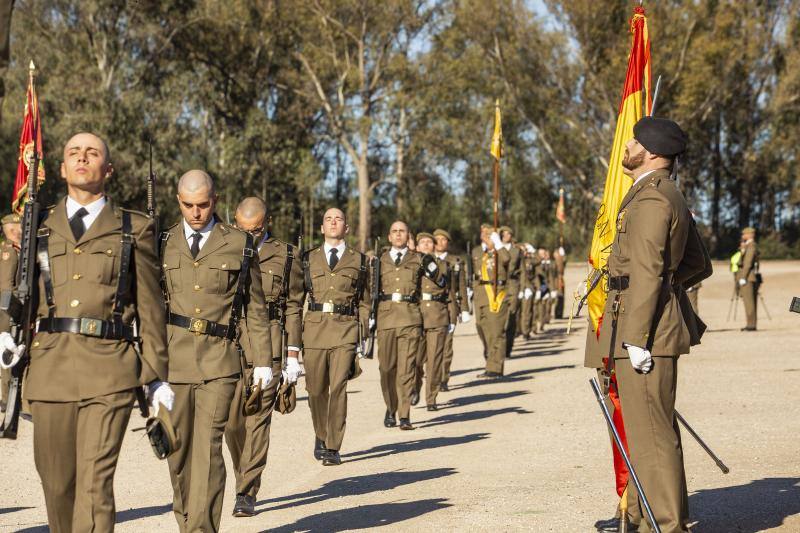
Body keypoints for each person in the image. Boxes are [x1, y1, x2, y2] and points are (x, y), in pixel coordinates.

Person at [0, 133, 169, 532]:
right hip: (48, 369)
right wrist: (5, 334)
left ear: (107, 169)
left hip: (109, 369)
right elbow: (18, 291)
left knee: (95, 486)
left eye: (92, 153)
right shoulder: (36, 225)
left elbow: (150, 306)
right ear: (60, 169)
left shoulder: (134, 228)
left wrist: (156, 374)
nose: (82, 158)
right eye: (74, 153)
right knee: (58, 486)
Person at [595, 117, 712, 533]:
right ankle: (651, 519)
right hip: (644, 324)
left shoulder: (652, 200)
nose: (625, 146)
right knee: (651, 432)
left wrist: (636, 336)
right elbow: (696, 264)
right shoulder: (665, 194)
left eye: (633, 142)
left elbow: (646, 272)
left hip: (641, 331)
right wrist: (664, 289)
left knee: (652, 436)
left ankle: (665, 524)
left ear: (653, 153)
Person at [161, 170, 273, 531]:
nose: (196, 212)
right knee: (177, 453)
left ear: (216, 200)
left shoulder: (239, 243)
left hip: (219, 360)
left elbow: (255, 308)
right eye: (189, 205)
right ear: (178, 200)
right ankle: (188, 522)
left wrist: (263, 362)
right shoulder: (162, 242)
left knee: (208, 450)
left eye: (204, 204)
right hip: (173, 359)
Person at [224, 197, 303, 517]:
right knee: (231, 422)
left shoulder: (286, 254)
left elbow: (294, 305)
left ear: (266, 223)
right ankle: (244, 470)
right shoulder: (224, 247)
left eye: (256, 230)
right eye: (245, 230)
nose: (251, 236)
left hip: (269, 340)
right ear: (234, 221)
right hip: (231, 340)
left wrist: (293, 354)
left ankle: (246, 489)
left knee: (258, 419)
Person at [300, 207, 370, 465]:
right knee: (316, 389)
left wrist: (362, 333)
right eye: (328, 219)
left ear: (346, 228)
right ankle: (321, 433)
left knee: (338, 386)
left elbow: (364, 301)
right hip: (315, 331)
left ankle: (332, 446)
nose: (333, 222)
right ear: (321, 228)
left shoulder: (360, 261)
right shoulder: (307, 259)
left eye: (338, 219)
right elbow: (297, 301)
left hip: (345, 329)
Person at [376, 220, 431, 430]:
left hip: (410, 318)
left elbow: (437, 282)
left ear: (408, 236)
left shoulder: (419, 260)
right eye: (394, 231)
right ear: (389, 237)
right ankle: (391, 407)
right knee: (386, 369)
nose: (398, 235)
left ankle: (404, 414)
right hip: (386, 319)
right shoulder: (379, 261)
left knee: (406, 369)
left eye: (402, 232)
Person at [413, 232, 457, 411]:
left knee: (434, 360)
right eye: (422, 242)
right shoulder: (411, 264)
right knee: (415, 359)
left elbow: (450, 293)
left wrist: (453, 317)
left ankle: (431, 397)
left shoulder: (444, 266)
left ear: (434, 246)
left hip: (438, 316)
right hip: (417, 315)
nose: (425, 245)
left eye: (429, 242)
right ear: (417, 246)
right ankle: (414, 388)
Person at [471, 225, 511, 378]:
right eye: (484, 233)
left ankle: (495, 368)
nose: (486, 235)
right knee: (482, 330)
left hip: (496, 296)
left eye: (490, 233)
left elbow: (507, 259)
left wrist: (497, 244)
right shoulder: (476, 251)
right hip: (480, 296)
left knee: (496, 332)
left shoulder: (500, 252)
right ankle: (490, 361)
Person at [433, 228, 469, 392]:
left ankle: (443, 378)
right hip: (430, 308)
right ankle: (432, 376)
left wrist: (465, 309)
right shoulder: (426, 259)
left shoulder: (455, 261)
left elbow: (461, 286)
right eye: (437, 239)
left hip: (449, 306)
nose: (440, 242)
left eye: (443, 239)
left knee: (446, 345)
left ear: (448, 243)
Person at [0, 212, 20, 413]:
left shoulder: (17, 249)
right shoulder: (9, 252)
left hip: (9, 306)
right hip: (7, 308)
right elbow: (7, 285)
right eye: (12, 230)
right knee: (7, 351)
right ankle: (7, 398)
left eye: (19, 228)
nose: (17, 232)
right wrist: (19, 307)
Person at [499, 226, 521, 358]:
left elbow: (521, 270)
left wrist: (525, 288)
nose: (506, 236)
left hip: (512, 285)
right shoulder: (494, 249)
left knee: (511, 318)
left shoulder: (516, 251)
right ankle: (496, 350)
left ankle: (508, 348)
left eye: (509, 234)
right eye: (504, 233)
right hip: (498, 287)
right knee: (498, 320)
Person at [737, 227, 760, 331]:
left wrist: (743, 277)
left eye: (744, 234)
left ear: (750, 234)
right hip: (749, 276)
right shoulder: (748, 246)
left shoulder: (751, 246)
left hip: (748, 277)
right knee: (749, 301)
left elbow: (747, 263)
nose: (743, 236)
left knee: (749, 302)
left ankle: (751, 325)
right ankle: (751, 324)